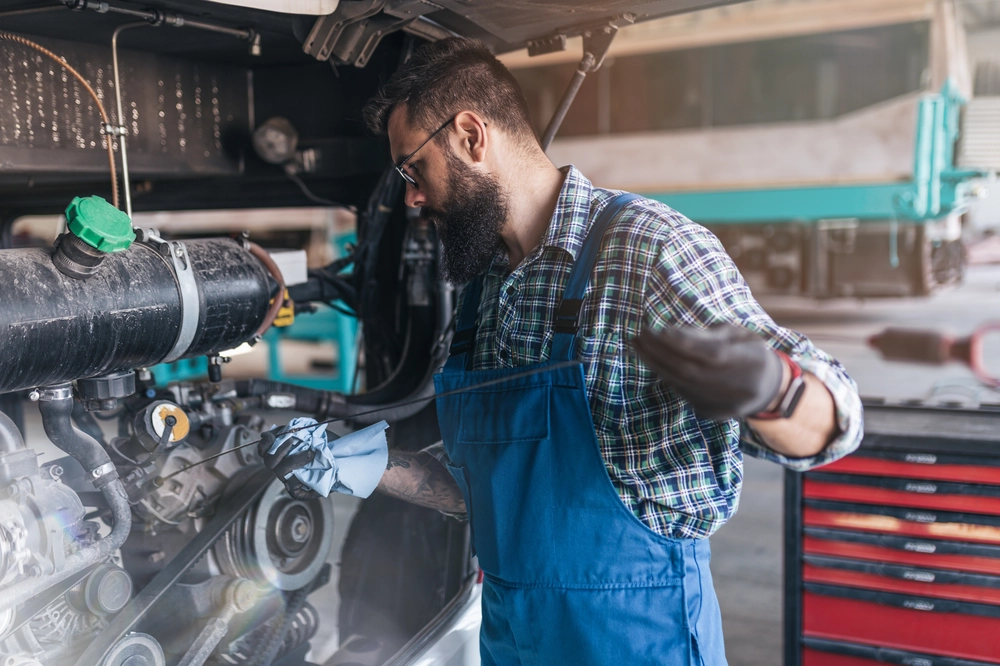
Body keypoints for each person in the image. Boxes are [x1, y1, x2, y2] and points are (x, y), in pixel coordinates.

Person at [264, 38, 864, 666]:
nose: (412, 197)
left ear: (471, 136)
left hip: (632, 638)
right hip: (511, 640)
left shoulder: (645, 251)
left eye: (413, 170)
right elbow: (496, 497)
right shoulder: (480, 294)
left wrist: (775, 389)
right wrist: (372, 470)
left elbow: (838, 420)